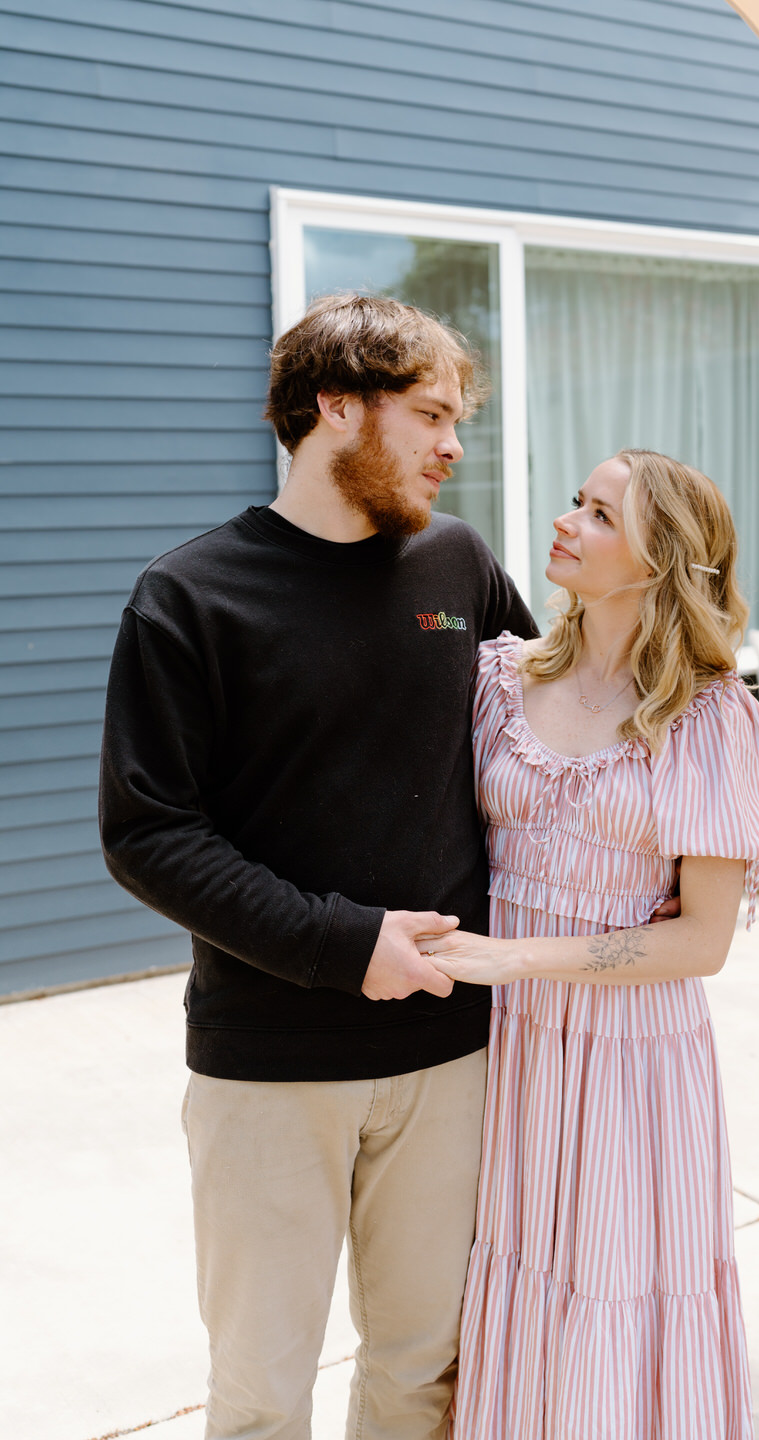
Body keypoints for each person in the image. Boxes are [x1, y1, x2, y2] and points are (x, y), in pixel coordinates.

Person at [98, 293, 538, 1440]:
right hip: (269, 1067)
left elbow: (549, 732)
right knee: (259, 1390)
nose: (455, 444)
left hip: (450, 1050)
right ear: (336, 407)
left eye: (459, 419)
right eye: (432, 414)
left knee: (423, 1369)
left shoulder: (457, 562)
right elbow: (148, 833)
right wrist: (350, 947)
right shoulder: (190, 598)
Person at [417, 449, 759, 1440]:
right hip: (508, 1052)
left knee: (615, 1293)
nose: (563, 521)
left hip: (634, 1066)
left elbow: (704, 943)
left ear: (657, 560)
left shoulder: (711, 720)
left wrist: (517, 960)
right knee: (517, 1273)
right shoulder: (500, 678)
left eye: (598, 513)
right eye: (576, 502)